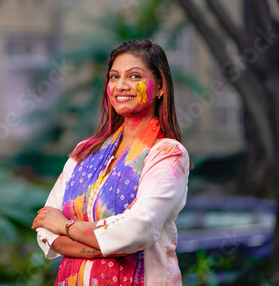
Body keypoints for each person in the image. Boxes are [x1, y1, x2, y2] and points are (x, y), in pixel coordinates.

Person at [32, 40, 190, 285]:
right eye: (114, 77)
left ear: (160, 87)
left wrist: (67, 226)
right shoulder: (85, 153)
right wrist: (106, 245)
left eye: (134, 76)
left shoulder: (167, 154)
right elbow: (45, 226)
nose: (121, 85)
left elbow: (139, 229)